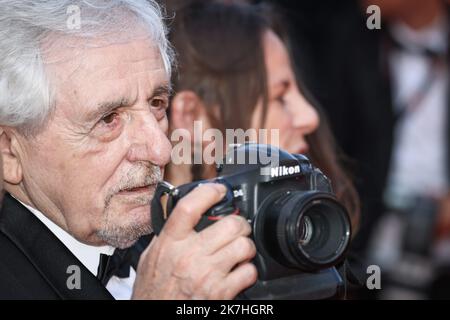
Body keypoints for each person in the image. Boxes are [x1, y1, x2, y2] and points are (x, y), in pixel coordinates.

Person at [0, 0, 257, 299]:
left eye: (157, 104)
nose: (161, 150)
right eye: (109, 119)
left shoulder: (189, 251)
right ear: (9, 152)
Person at [163, 1, 362, 285]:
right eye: (280, 97)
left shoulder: (304, 242)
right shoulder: (131, 276)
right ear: (193, 117)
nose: (310, 117)